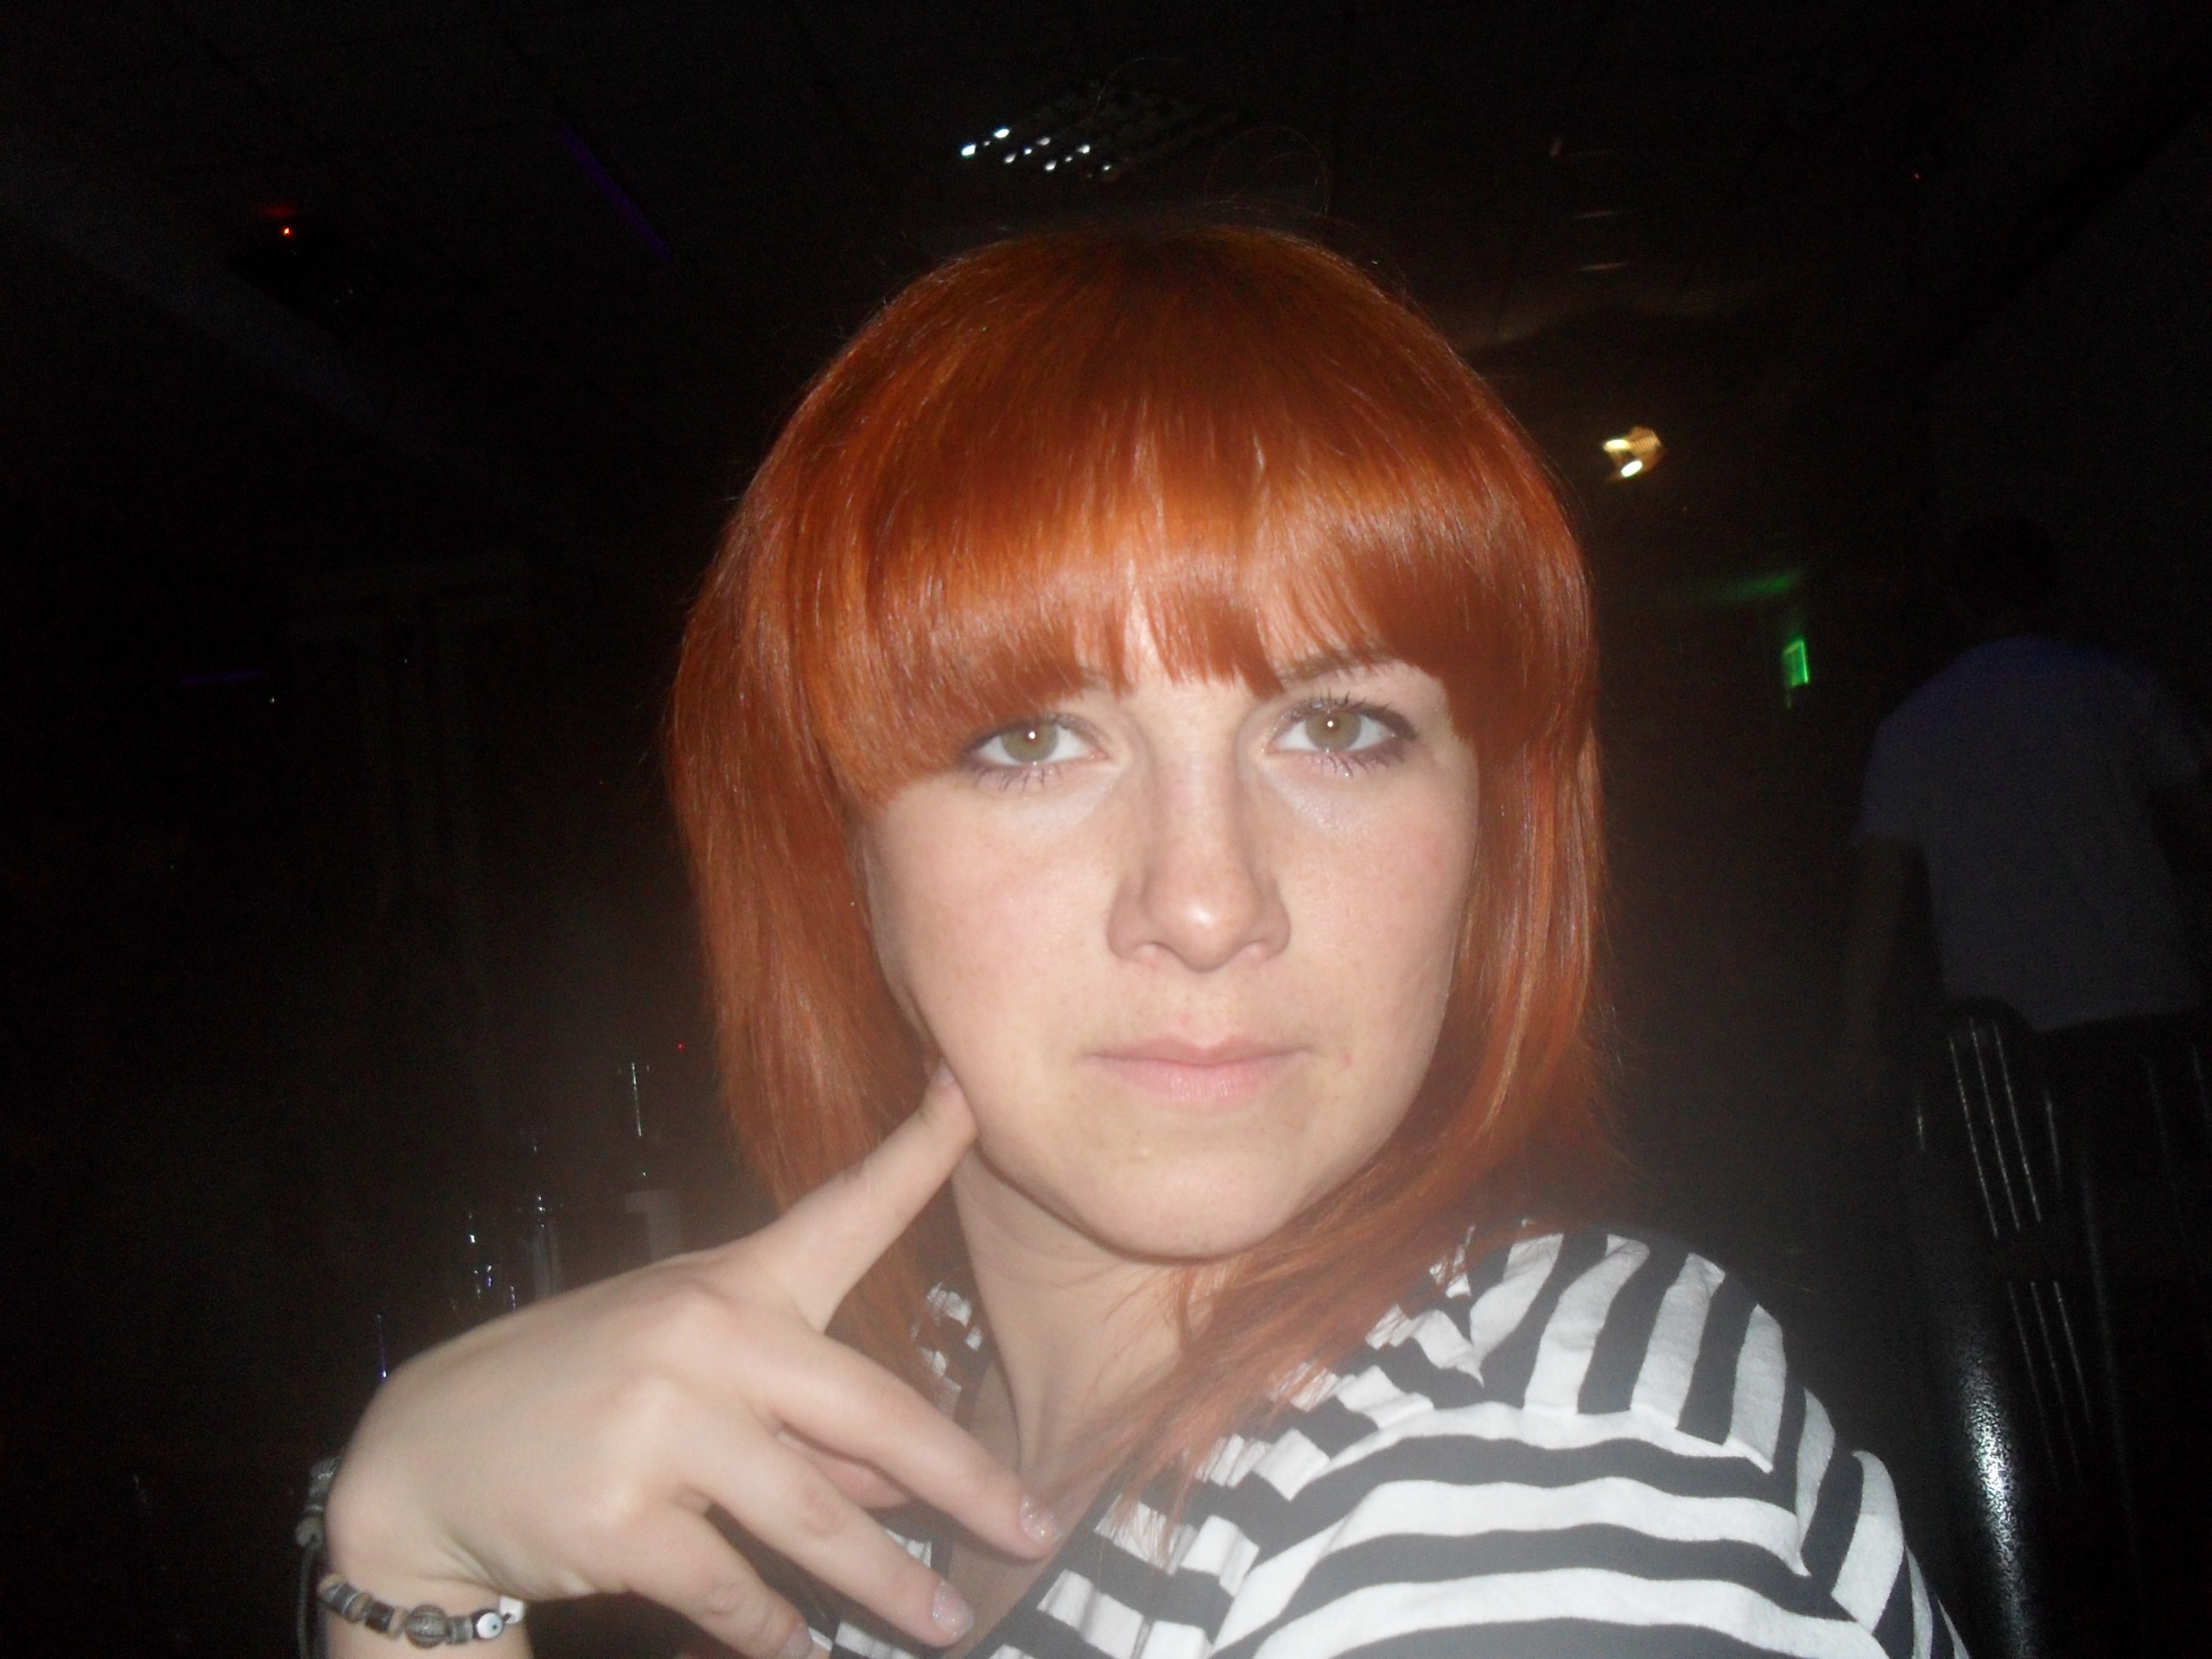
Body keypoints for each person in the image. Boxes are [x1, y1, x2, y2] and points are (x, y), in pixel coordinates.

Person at [320, 226, 1959, 1659]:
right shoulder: (886, 1415)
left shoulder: (1533, 1493)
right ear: (835, 850)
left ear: (1494, 836)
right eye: (1030, 740)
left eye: (1339, 727)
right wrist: (412, 1567)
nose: (1206, 899)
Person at [1839, 515, 2210, 1116]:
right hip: (2149, 998)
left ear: (1957, 602)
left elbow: (1878, 895)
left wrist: (1855, 1041)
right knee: (2166, 1167)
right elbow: (2200, 819)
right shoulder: (2122, 687)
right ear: (2051, 590)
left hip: (2007, 1026)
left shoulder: (1913, 728)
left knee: (2037, 1175)